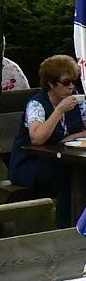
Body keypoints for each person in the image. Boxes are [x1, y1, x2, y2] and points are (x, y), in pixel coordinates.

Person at [9, 54, 86, 228]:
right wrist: (59, 110)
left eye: (74, 81)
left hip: (61, 161)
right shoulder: (37, 104)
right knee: (69, 180)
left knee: (79, 175)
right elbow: (37, 138)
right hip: (31, 164)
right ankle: (64, 230)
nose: (72, 86)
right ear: (51, 83)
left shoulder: (77, 101)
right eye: (66, 82)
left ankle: (80, 227)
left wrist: (72, 137)